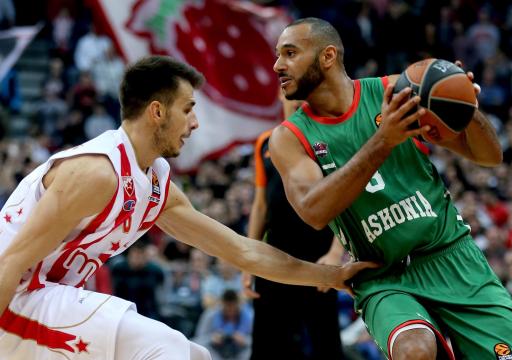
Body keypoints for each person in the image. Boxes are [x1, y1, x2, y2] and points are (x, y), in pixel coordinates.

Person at [0, 55, 375, 360]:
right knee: (168, 351)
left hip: (45, 301)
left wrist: (330, 276)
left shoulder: (156, 185)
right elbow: (9, 262)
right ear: (157, 112)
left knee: (195, 356)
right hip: (14, 298)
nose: (195, 123)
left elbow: (242, 251)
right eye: (188, 108)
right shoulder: (96, 173)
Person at [269, 17, 512, 360]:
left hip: (451, 256)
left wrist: (464, 107)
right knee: (414, 351)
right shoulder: (289, 137)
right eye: (278, 55)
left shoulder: (394, 91)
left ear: (328, 56)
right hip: (384, 275)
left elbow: (489, 156)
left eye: (289, 53)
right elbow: (314, 211)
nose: (278, 65)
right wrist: (383, 140)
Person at [242, 95, 344, 359]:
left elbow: (346, 200)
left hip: (319, 254)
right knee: (266, 343)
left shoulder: (328, 138)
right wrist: (247, 261)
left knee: (325, 342)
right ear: (279, 94)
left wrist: (335, 253)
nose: (297, 99)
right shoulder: (265, 141)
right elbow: (260, 205)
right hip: (275, 254)